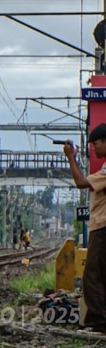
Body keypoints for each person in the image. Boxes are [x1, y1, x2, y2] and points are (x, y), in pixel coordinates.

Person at [65, 125, 106, 333]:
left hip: (103, 227)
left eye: (96, 143)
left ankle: (98, 323)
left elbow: (81, 182)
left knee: (92, 276)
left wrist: (70, 158)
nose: (94, 148)